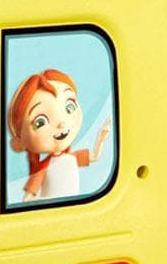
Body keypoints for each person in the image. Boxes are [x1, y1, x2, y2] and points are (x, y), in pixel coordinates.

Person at [6, 68, 111, 202]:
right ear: (18, 143)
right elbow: (28, 199)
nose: (61, 124)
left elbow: (95, 156)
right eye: (40, 122)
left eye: (69, 107)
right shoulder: (42, 169)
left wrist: (101, 137)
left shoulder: (73, 158)